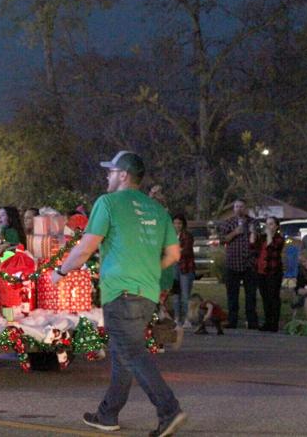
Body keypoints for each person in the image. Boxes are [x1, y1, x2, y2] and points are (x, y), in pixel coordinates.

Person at [52, 151, 186, 437]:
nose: (107, 176)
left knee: (131, 352)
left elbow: (86, 248)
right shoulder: (158, 211)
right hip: (147, 293)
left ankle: (169, 410)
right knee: (122, 351)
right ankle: (107, 414)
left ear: (123, 175)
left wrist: (61, 271)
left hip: (120, 292)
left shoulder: (108, 203)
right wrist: (150, 269)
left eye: (111, 171)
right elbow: (174, 254)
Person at [217, 199, 258, 329]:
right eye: (236, 206)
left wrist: (253, 232)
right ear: (234, 209)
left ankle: (252, 321)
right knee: (232, 295)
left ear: (246, 208)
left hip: (249, 264)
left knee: (250, 295)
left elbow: (257, 240)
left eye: (241, 206)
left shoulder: (252, 222)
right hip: (233, 263)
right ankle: (232, 320)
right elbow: (222, 239)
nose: (239, 209)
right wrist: (235, 232)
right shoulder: (228, 223)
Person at [252, 216, 285, 332]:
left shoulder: (279, 239)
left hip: (273, 271)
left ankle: (274, 323)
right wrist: (253, 232)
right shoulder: (263, 239)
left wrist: (270, 234)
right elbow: (252, 244)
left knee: (273, 297)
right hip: (262, 272)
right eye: (267, 224)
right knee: (265, 297)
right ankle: (267, 321)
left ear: (276, 226)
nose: (268, 227)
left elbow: (272, 247)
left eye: (271, 224)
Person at [172, 214, 195, 328]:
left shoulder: (187, 236)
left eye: (179, 223)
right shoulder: (170, 236)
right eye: (175, 223)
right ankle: (176, 318)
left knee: (185, 294)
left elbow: (186, 251)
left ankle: (186, 319)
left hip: (185, 267)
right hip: (173, 267)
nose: (177, 226)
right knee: (176, 294)